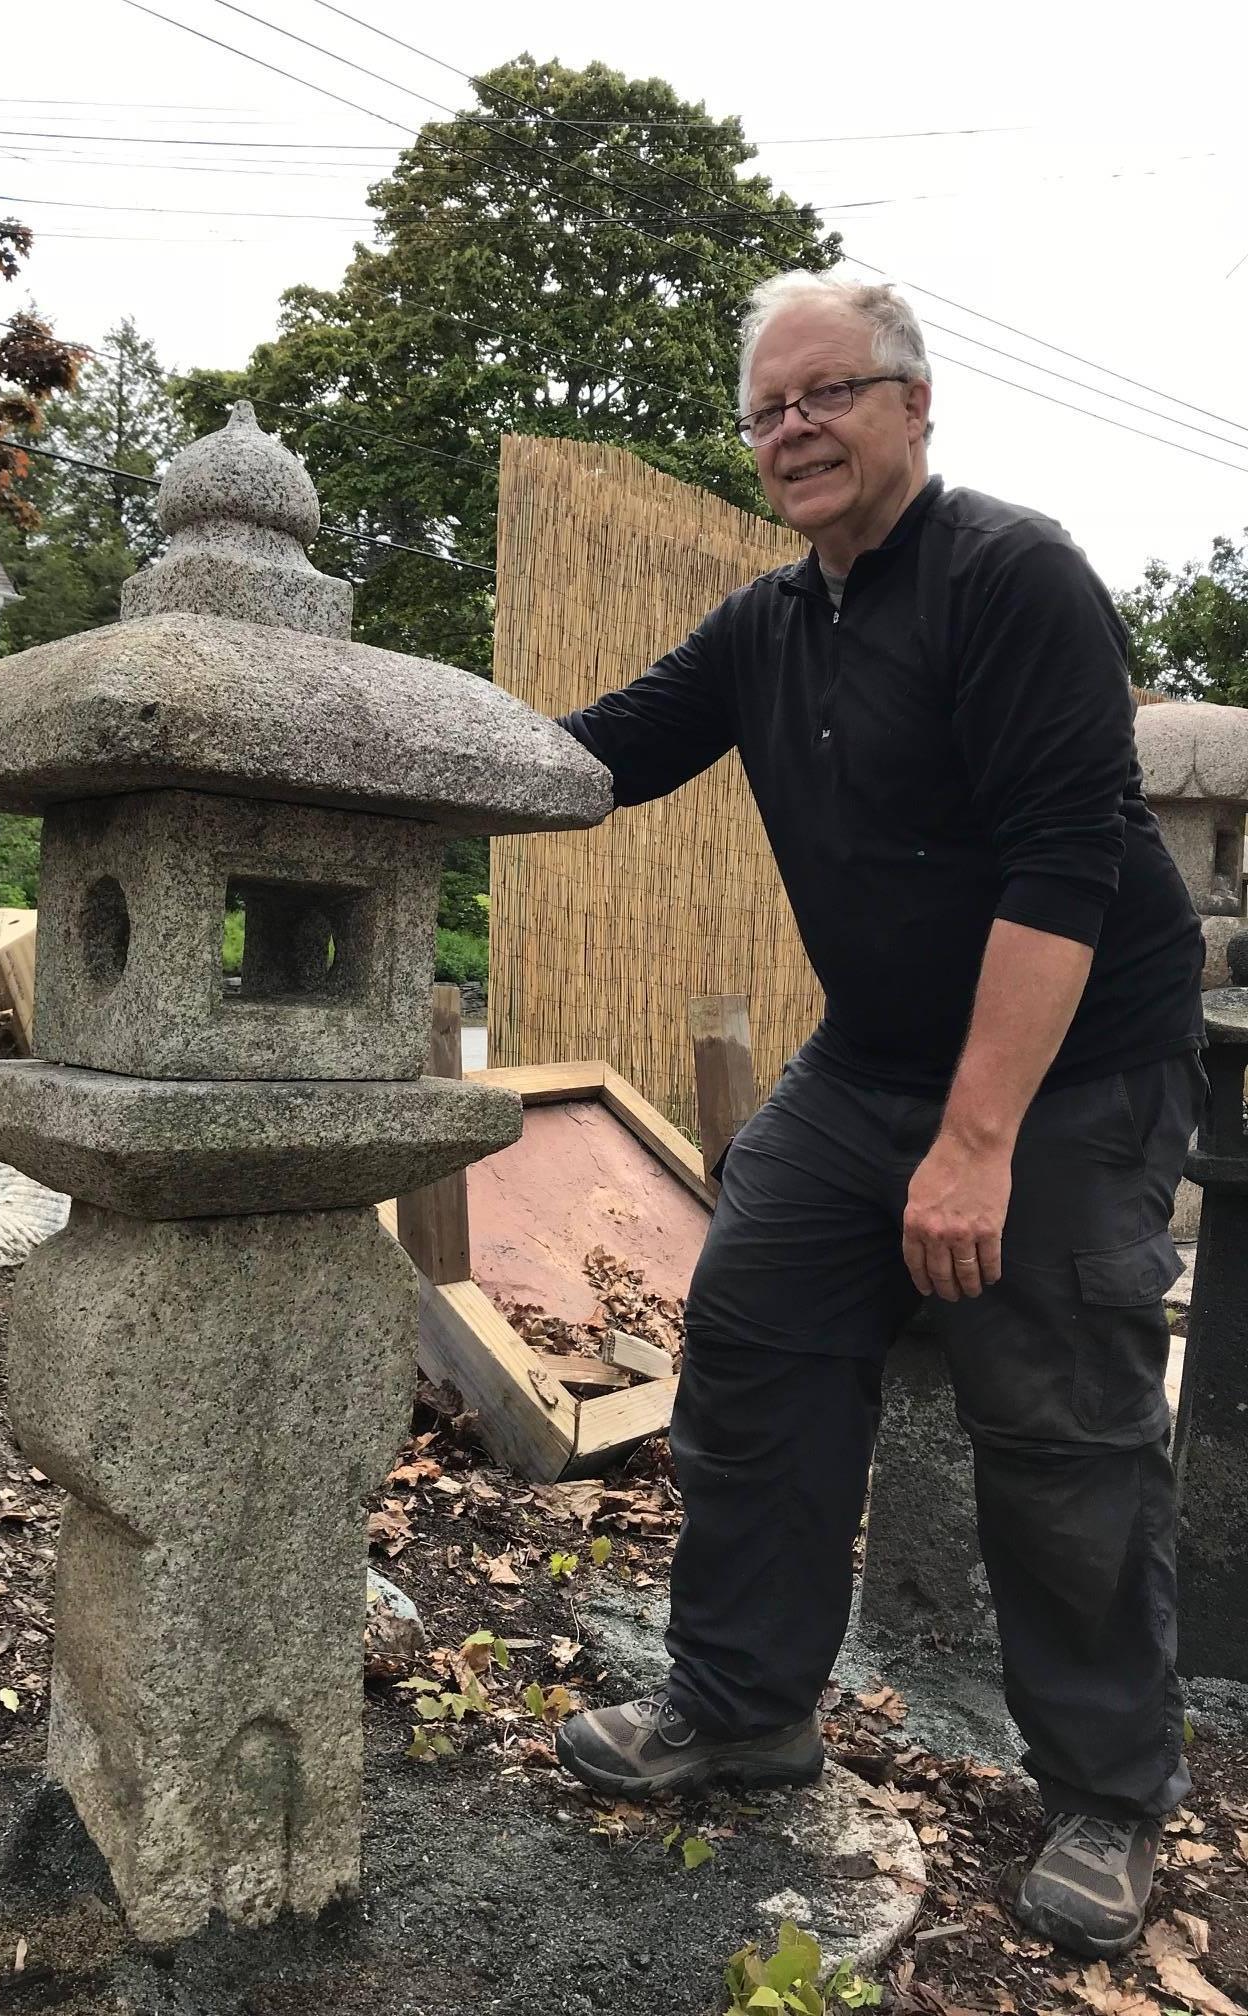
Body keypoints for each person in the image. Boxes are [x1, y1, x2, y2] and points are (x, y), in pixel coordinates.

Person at [551, 272, 1205, 1962]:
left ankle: (1111, 1796)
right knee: (758, 1329)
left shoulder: (1015, 577)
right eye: (770, 409)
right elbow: (605, 752)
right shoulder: (773, 624)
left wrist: (978, 1145)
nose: (793, 432)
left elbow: (1066, 870)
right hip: (871, 1062)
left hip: (1072, 1067)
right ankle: (745, 1706)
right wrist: (395, 754)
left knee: (1061, 1430)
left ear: (916, 404)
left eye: (828, 394)